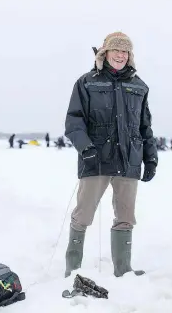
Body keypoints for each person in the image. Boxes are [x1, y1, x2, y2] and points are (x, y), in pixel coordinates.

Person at [64, 32, 157, 278]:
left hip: (129, 160)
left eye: (125, 52)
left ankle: (123, 270)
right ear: (104, 53)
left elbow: (144, 126)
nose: (120, 55)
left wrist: (151, 157)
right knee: (83, 215)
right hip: (95, 159)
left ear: (130, 56)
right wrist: (86, 148)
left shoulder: (139, 86)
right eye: (116, 50)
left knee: (126, 216)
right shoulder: (86, 82)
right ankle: (72, 269)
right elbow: (74, 121)